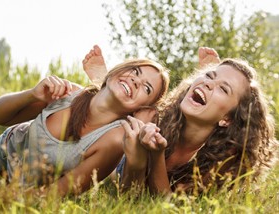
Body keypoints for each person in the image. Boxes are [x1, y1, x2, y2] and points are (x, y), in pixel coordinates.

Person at [83, 45, 278, 195]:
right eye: (209, 75)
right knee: (134, 114)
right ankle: (102, 82)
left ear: (227, 119)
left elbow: (163, 203)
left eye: (223, 88)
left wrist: (155, 155)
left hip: (131, 166)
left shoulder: (225, 158)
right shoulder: (160, 116)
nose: (208, 82)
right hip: (122, 154)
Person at [0, 58, 170, 197]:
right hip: (6, 152)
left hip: (27, 184)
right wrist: (32, 94)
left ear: (142, 108)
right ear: (116, 72)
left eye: (147, 88)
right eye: (135, 71)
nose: (136, 81)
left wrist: (16, 196)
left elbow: (55, 194)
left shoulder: (113, 140)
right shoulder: (68, 93)